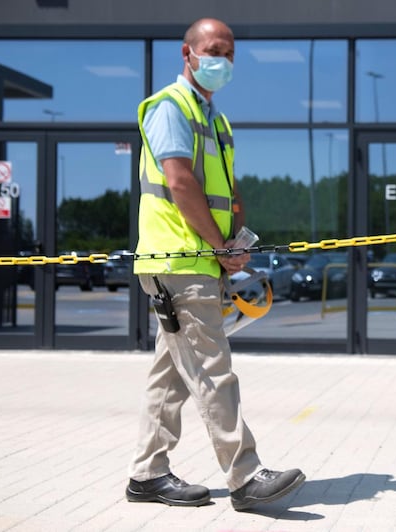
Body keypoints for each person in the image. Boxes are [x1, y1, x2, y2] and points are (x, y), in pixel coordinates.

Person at [125, 18, 305, 511]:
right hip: (179, 256)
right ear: (187, 53)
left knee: (172, 372)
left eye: (227, 53)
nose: (220, 60)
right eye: (212, 50)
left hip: (200, 257)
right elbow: (180, 182)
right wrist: (218, 246)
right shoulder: (170, 107)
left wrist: (232, 244)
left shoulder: (215, 119)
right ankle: (245, 477)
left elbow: (226, 189)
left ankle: (147, 474)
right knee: (210, 368)